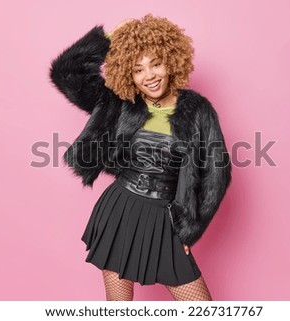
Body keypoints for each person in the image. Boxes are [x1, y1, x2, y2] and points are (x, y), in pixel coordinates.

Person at [49, 14, 232, 301]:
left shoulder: (197, 109)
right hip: (120, 210)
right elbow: (66, 72)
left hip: (167, 219)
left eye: (156, 64)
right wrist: (110, 40)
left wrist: (191, 228)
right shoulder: (119, 103)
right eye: (137, 69)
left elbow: (215, 175)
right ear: (128, 74)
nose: (149, 76)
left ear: (170, 62)